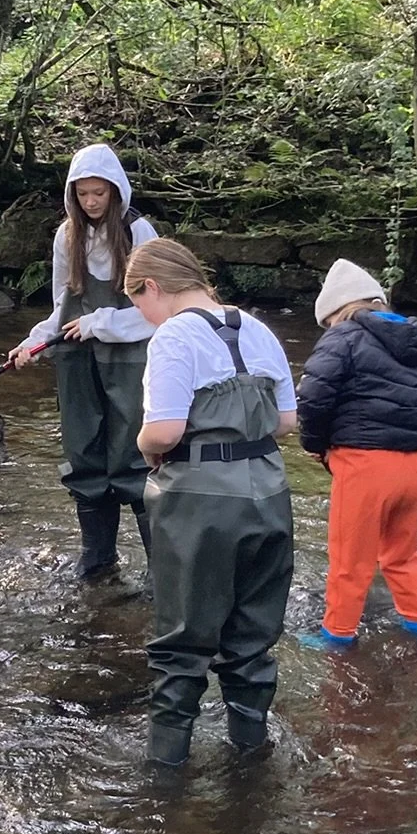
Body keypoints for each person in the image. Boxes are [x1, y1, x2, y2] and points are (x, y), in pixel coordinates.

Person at [125, 239, 298, 767]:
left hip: (201, 505)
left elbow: (164, 431)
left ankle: (164, 780)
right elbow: (287, 423)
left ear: (152, 287)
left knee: (182, 648)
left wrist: (141, 446)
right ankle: (251, 758)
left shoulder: (174, 335)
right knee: (250, 642)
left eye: (138, 305)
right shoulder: (258, 328)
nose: (145, 318)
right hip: (270, 497)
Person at [7, 143, 158, 578]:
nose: (91, 203)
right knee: (84, 450)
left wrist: (101, 322)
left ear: (115, 191)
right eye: (83, 194)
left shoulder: (139, 232)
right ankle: (98, 555)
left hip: (130, 359)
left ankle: (159, 564)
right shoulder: (65, 236)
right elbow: (61, 306)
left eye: (100, 193)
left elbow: (155, 311)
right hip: (77, 361)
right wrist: (35, 343)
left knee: (133, 453)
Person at [295, 257, 417, 652]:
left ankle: (337, 637)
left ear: (338, 311)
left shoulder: (342, 337)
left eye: (326, 323)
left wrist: (315, 445)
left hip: (367, 462)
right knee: (402, 552)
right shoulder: (411, 340)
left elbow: (313, 396)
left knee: (349, 560)